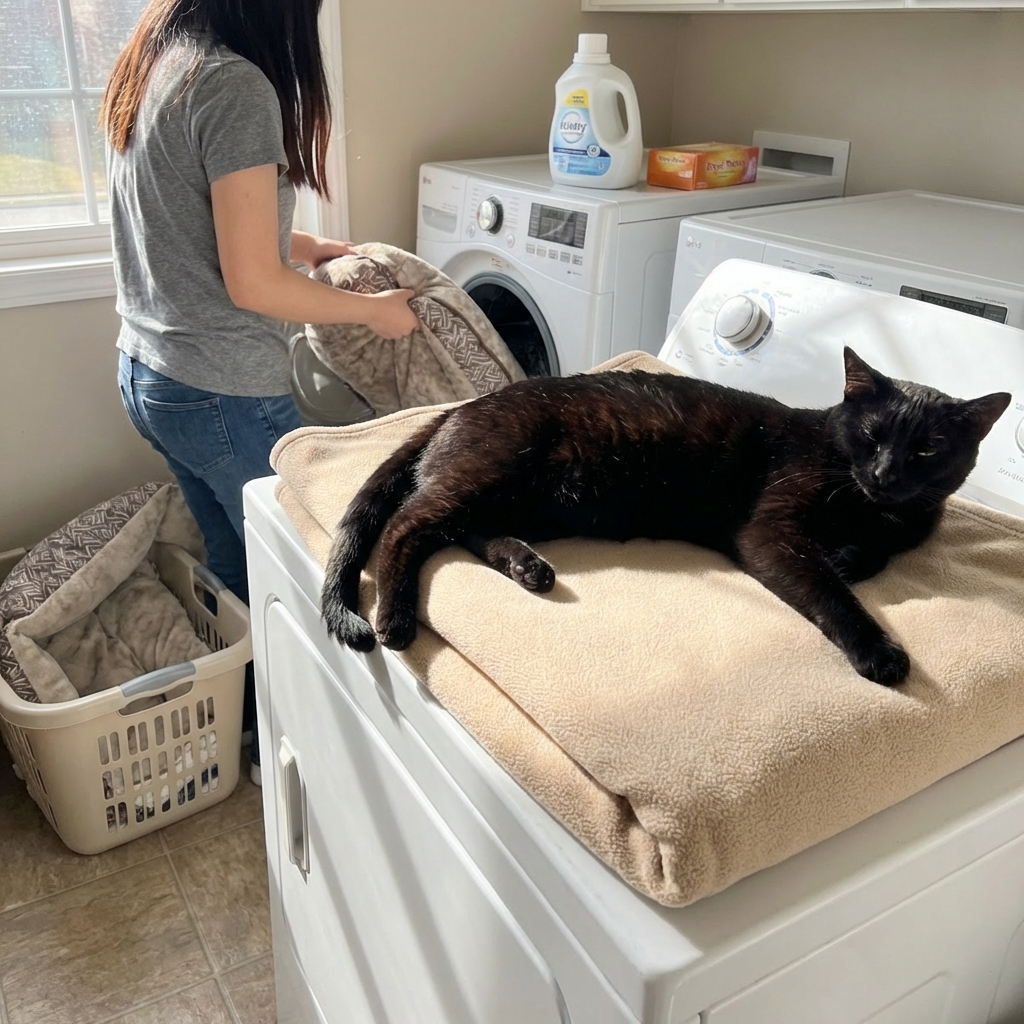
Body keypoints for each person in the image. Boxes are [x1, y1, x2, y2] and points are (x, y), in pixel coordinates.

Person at [102, 0, 418, 784]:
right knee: (302, 571)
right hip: (220, 391)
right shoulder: (235, 84)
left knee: (237, 566)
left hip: (148, 374)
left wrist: (307, 246)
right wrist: (372, 313)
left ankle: (246, 730)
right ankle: (299, 750)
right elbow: (250, 283)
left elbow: (186, 216)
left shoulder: (158, 59)